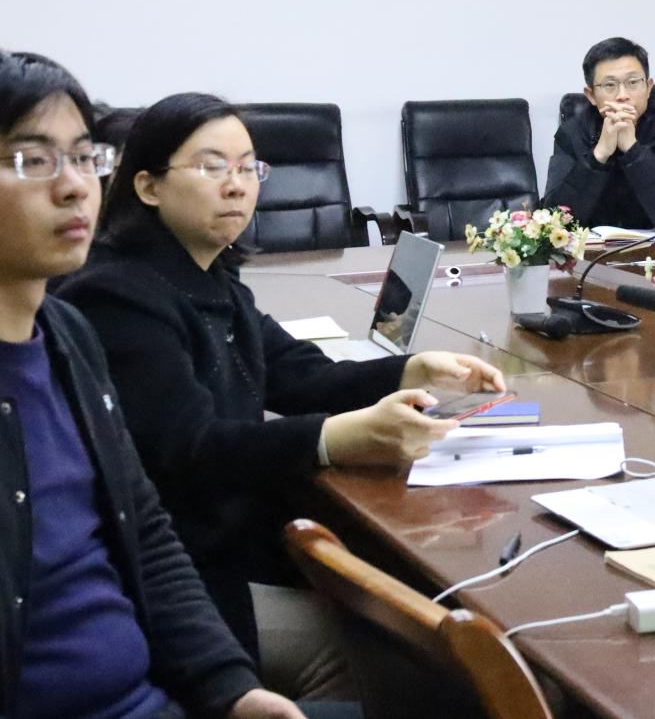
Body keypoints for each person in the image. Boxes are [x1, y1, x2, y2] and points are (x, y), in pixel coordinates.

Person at [0, 47, 315, 719]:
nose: (76, 186)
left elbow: (145, 534)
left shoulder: (67, 333)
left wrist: (233, 690)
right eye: (33, 160)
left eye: (85, 157)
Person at [62, 93, 508, 698]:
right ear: (148, 186)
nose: (237, 185)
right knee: (399, 658)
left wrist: (410, 370)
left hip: (237, 545)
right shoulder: (119, 296)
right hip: (180, 576)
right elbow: (192, 450)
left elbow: (299, 374)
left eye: (249, 168)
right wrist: (332, 439)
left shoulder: (207, 274)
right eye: (212, 166)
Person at [542, 36, 655, 230]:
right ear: (591, 95)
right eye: (609, 85)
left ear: (648, 87)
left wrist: (633, 150)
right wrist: (599, 155)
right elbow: (554, 221)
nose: (622, 95)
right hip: (590, 248)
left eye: (633, 82)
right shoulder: (571, 135)